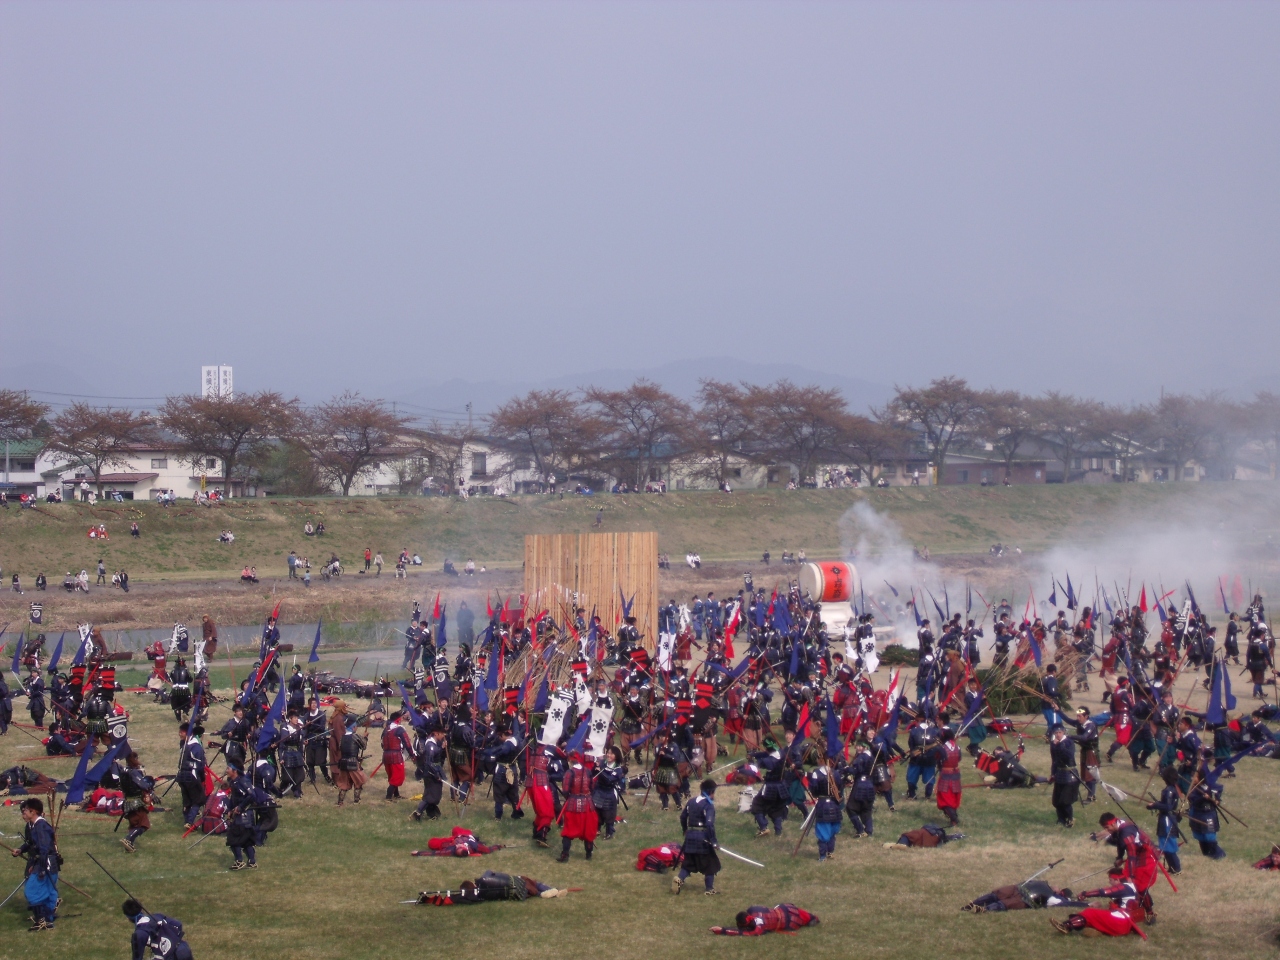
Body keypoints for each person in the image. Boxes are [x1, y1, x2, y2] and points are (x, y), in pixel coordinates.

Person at [13, 797, 59, 931]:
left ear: (33, 811)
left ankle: (42, 920)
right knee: (45, 891)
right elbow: (32, 843)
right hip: (45, 862)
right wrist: (21, 849)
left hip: (45, 863)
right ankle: (46, 919)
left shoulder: (41, 826)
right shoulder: (34, 826)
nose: (23, 814)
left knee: (32, 890)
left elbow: (44, 848)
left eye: (25, 811)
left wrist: (41, 868)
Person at [672, 779, 720, 894]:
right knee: (711, 864)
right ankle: (709, 889)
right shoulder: (708, 806)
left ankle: (679, 879)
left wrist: (685, 830)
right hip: (702, 839)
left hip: (690, 837)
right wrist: (713, 841)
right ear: (710, 792)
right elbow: (709, 824)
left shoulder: (691, 801)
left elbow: (683, 817)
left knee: (689, 862)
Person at [557, 749, 598, 862]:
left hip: (573, 804)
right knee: (588, 830)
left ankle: (565, 855)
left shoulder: (569, 773)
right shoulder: (588, 771)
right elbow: (592, 788)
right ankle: (588, 854)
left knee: (568, 830)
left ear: (570, 760)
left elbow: (565, 791)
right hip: (588, 805)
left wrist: (570, 798)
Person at [123, 898, 194, 960]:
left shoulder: (139, 933)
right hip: (184, 949)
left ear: (128, 917)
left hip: (170, 957)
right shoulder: (157, 916)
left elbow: (137, 957)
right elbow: (178, 925)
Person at [120, 752, 156, 852]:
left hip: (127, 802)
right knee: (144, 824)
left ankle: (129, 846)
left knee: (134, 824)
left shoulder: (123, 771)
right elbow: (144, 785)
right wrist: (151, 789)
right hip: (136, 803)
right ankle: (128, 839)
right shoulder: (134, 772)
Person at [709, 904, 820, 936]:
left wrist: (722, 930)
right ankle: (812, 917)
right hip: (783, 908)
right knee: (805, 915)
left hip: (788, 920)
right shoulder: (753, 909)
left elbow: (746, 933)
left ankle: (812, 918)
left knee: (804, 918)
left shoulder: (759, 926)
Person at [1049, 724, 1080, 827]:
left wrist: (1060, 746)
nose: (1058, 735)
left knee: (1065, 800)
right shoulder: (1053, 744)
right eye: (1056, 733)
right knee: (1056, 800)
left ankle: (1070, 819)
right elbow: (1054, 760)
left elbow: (1069, 755)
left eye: (1060, 732)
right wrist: (1053, 773)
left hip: (1069, 773)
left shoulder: (1069, 742)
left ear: (1063, 732)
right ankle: (1061, 819)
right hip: (1059, 773)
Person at [381, 711, 414, 801]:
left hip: (386, 755)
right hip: (396, 755)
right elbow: (407, 743)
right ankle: (388, 797)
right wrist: (412, 754)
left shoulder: (385, 729)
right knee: (398, 776)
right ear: (398, 719)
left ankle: (396, 794)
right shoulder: (399, 729)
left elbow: (382, 744)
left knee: (392, 775)